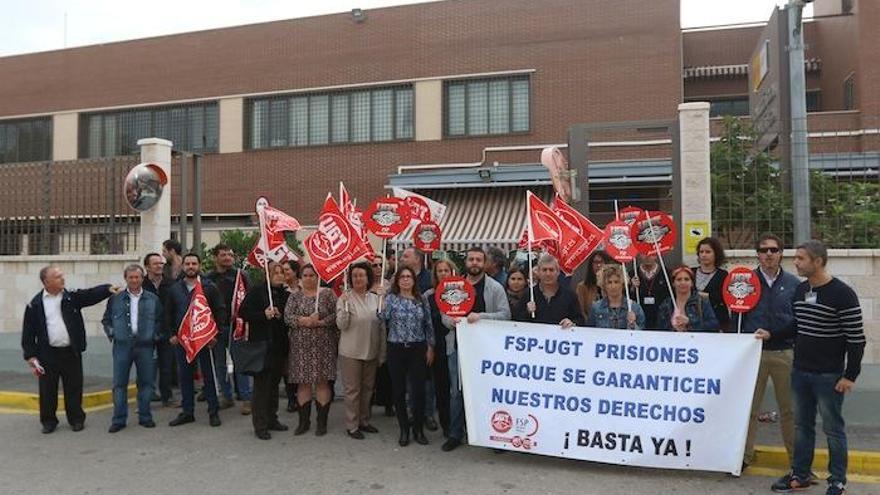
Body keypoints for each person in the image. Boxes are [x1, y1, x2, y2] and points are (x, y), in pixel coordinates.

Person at [766, 240, 865, 495]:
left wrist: (850, 375)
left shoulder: (843, 294)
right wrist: (771, 335)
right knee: (802, 426)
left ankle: (837, 481)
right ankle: (800, 475)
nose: (795, 262)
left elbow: (856, 338)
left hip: (829, 375)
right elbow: (796, 326)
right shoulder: (801, 291)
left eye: (801, 258)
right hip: (800, 372)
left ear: (818, 261)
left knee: (833, 429)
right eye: (795, 258)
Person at [21, 266, 115, 434]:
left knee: (74, 387)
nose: (62, 279)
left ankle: (76, 419)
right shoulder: (35, 304)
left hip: (70, 351)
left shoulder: (71, 297)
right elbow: (28, 332)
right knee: (48, 389)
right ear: (46, 282)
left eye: (62, 276)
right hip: (47, 354)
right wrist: (30, 355)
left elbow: (89, 295)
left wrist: (107, 289)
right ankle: (49, 421)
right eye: (57, 277)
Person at [736, 233, 799, 470]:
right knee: (748, 409)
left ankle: (797, 462)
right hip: (753, 354)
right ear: (758, 254)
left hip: (784, 352)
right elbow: (736, 315)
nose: (769, 254)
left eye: (774, 250)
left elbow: (798, 319)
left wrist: (777, 335)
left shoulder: (794, 284)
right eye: (764, 250)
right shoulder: (744, 281)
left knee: (789, 411)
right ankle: (744, 457)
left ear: (781, 253)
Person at [441, 247, 511, 452]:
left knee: (488, 392)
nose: (474, 263)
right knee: (456, 392)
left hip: (486, 351)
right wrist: (451, 321)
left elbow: (505, 315)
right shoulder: (453, 286)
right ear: (466, 262)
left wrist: (481, 317)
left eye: (478, 260)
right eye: (471, 259)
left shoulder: (495, 288)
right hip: (457, 347)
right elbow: (444, 315)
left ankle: (492, 435)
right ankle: (455, 434)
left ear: (485, 262)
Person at [165, 253, 226, 428]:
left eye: (194, 263)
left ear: (199, 266)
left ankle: (213, 412)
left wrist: (215, 335)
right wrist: (172, 334)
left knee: (209, 376)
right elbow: (168, 314)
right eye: (187, 263)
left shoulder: (209, 287)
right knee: (185, 377)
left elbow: (220, 311)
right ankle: (187, 412)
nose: (190, 266)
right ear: (183, 266)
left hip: (205, 340)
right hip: (183, 341)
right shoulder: (174, 289)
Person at [102, 264, 163, 433]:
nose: (134, 280)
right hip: (122, 346)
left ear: (142, 278)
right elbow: (106, 320)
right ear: (126, 279)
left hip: (145, 346)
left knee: (146, 383)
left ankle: (145, 416)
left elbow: (160, 320)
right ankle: (119, 419)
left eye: (137, 277)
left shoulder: (152, 299)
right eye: (131, 277)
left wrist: (154, 336)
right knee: (119, 384)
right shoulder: (116, 299)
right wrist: (113, 334)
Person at [380, 267, 435, 447]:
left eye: (408, 277)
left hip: (417, 348)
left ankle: (418, 428)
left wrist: (430, 347)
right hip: (396, 348)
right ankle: (404, 428)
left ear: (413, 279)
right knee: (398, 390)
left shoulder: (422, 299)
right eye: (402, 277)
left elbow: (428, 324)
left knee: (418, 391)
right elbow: (382, 318)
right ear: (397, 281)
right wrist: (381, 299)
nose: (405, 280)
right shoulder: (391, 299)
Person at [284, 264, 338, 436]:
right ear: (300, 278)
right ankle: (303, 422)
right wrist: (305, 320)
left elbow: (337, 315)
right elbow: (287, 317)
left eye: (312, 275)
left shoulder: (328, 294)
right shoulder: (294, 297)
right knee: (304, 383)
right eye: (305, 275)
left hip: (324, 346)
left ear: (318, 277)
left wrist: (320, 322)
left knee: (322, 382)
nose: (308, 278)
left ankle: (321, 423)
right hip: (301, 348)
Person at [239, 261, 290, 440]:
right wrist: (263, 315)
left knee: (274, 385)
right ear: (267, 275)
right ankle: (260, 424)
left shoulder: (285, 294)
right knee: (261, 387)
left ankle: (272, 418)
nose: (279, 275)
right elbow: (243, 312)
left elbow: (288, 317)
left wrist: (280, 313)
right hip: (262, 346)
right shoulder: (257, 291)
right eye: (275, 272)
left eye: (281, 272)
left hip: (279, 346)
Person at [336, 261, 384, 440]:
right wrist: (345, 310)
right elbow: (341, 325)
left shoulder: (375, 298)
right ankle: (352, 424)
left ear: (367, 277)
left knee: (368, 389)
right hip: (351, 352)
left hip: (371, 349)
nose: (358, 278)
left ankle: (364, 420)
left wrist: (382, 352)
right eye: (355, 275)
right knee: (352, 390)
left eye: (361, 275)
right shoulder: (344, 298)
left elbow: (381, 325)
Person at [400, 246, 437, 431]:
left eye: (406, 255)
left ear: (417, 259)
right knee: (408, 380)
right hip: (402, 340)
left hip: (423, 338)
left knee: (426, 380)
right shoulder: (396, 277)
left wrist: (430, 344)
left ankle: (428, 414)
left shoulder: (429, 277)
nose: (401, 258)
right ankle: (411, 413)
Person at [424, 259, 455, 438]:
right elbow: (426, 324)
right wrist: (429, 347)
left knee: (456, 390)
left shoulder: (462, 292)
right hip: (437, 345)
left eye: (446, 270)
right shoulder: (429, 295)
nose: (443, 273)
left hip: (456, 344)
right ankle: (446, 425)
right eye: (439, 271)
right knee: (442, 388)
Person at [142, 252, 178, 407]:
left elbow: (176, 307)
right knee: (145, 367)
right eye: (156, 263)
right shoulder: (141, 285)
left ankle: (167, 397)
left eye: (161, 263)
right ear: (147, 267)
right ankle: (145, 397)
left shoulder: (171, 284)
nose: (159, 266)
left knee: (166, 366)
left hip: (166, 331)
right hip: (145, 332)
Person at [512, 254, 585, 328]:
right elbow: (515, 322)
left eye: (551, 270)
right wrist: (527, 312)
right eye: (544, 270)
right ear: (538, 272)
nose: (548, 274)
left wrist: (572, 323)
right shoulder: (528, 294)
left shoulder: (570, 295)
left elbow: (580, 320)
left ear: (558, 272)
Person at [656, 265, 718, 332]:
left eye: (686, 279)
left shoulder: (702, 301)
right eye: (679, 279)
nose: (683, 282)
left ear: (692, 283)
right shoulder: (666, 304)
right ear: (673, 283)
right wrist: (673, 327)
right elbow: (660, 328)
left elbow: (713, 325)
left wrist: (690, 322)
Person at [370, 254, 394, 418]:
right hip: (369, 329)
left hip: (386, 329)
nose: (378, 268)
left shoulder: (389, 285)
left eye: (380, 265)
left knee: (386, 369)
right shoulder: (363, 283)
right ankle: (368, 403)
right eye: (374, 265)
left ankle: (388, 403)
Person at [586, 264, 645, 330]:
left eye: (616, 282)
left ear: (623, 284)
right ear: (604, 285)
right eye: (609, 282)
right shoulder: (596, 308)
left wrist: (633, 325)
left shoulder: (635, 308)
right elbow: (589, 332)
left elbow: (643, 334)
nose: (613, 286)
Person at [692, 237, 730, 332]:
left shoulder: (723, 275)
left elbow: (725, 299)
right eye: (701, 252)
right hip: (693, 323)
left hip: (716, 324)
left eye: (708, 252)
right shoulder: (690, 272)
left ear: (716, 254)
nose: (704, 255)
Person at [630, 253, 671, 329]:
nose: (647, 256)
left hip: (662, 319)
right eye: (644, 253)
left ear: (657, 254)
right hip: (640, 320)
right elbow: (629, 300)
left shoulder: (666, 273)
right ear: (639, 254)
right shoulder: (632, 274)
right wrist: (632, 288)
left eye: (651, 254)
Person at [281, 259, 300, 413]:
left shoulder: (303, 287)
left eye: (287, 270)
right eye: (283, 270)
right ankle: (291, 399)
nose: (284, 273)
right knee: (287, 368)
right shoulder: (279, 289)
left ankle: (301, 397)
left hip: (303, 333)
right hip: (286, 333)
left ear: (295, 272)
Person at [576, 250, 613, 320]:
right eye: (596, 262)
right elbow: (581, 311)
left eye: (601, 262)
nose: (598, 265)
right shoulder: (582, 287)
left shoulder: (613, 284)